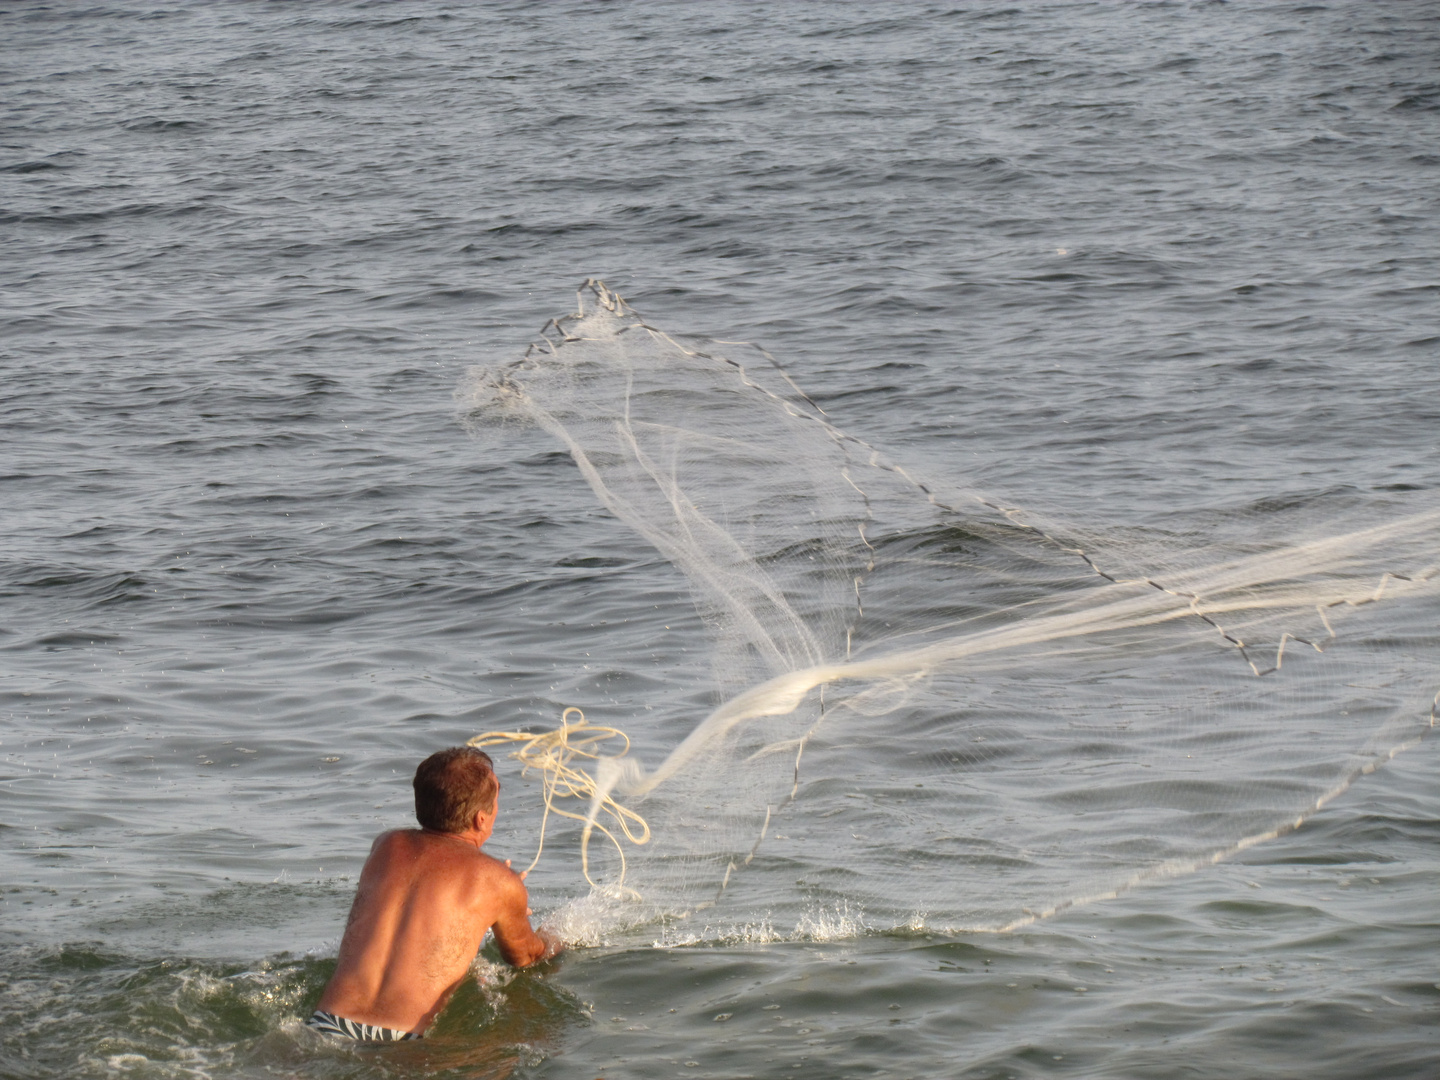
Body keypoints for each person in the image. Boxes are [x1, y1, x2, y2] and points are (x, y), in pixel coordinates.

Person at [307, 746, 562, 1042]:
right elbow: (526, 957)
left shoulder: (386, 846)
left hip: (326, 1023)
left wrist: (496, 883)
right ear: (481, 819)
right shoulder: (499, 882)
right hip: (403, 1044)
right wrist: (556, 936)